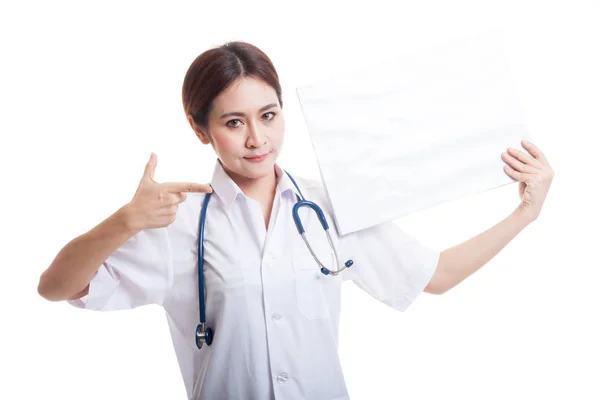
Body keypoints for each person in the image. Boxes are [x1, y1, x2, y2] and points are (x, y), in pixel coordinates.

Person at [37, 41, 554, 400]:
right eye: (234, 123)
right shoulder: (175, 223)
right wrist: (125, 221)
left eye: (268, 115)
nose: (257, 139)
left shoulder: (330, 207)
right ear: (201, 132)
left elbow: (435, 276)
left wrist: (525, 214)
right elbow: (56, 287)